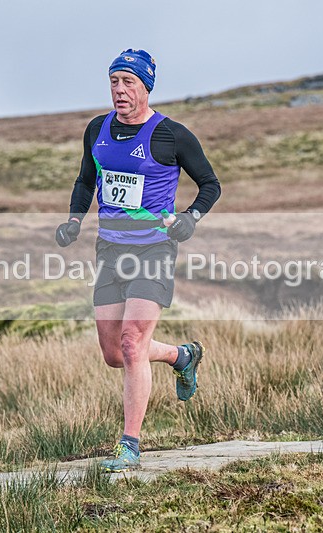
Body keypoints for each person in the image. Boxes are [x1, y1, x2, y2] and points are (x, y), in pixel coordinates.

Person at [55, 48, 221, 471]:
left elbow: (210, 184)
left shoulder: (172, 135)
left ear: (146, 87)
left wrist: (190, 218)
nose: (119, 90)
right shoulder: (97, 130)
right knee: (115, 353)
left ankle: (129, 445)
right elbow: (85, 180)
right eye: (114, 81)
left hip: (153, 251)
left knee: (132, 343)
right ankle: (181, 356)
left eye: (128, 82)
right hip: (110, 251)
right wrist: (74, 220)